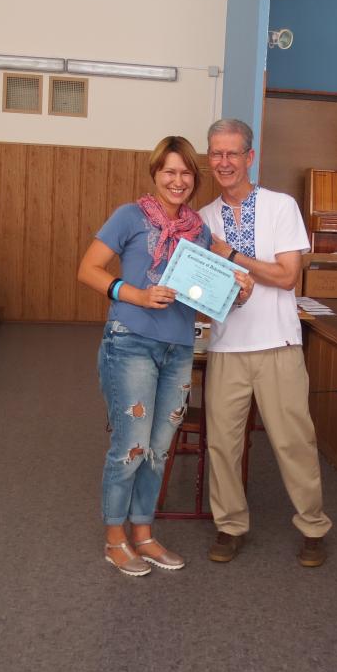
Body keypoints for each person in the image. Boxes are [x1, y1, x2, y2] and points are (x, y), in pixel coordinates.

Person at [77, 136, 252, 577]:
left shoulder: (199, 230)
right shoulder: (129, 216)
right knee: (130, 447)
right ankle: (114, 539)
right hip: (130, 342)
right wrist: (136, 294)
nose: (178, 180)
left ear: (195, 178)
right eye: (169, 171)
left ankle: (143, 533)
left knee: (158, 449)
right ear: (155, 174)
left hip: (179, 349)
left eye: (186, 172)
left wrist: (237, 291)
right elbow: (88, 269)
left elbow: (207, 292)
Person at [197, 118, 332, 567]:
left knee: (294, 443)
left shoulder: (280, 206)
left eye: (232, 153)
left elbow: (288, 276)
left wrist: (231, 255)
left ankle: (312, 526)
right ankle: (229, 525)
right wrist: (227, 288)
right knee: (222, 444)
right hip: (225, 348)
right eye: (216, 153)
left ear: (249, 157)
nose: (224, 162)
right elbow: (209, 291)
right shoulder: (203, 220)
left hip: (278, 344)